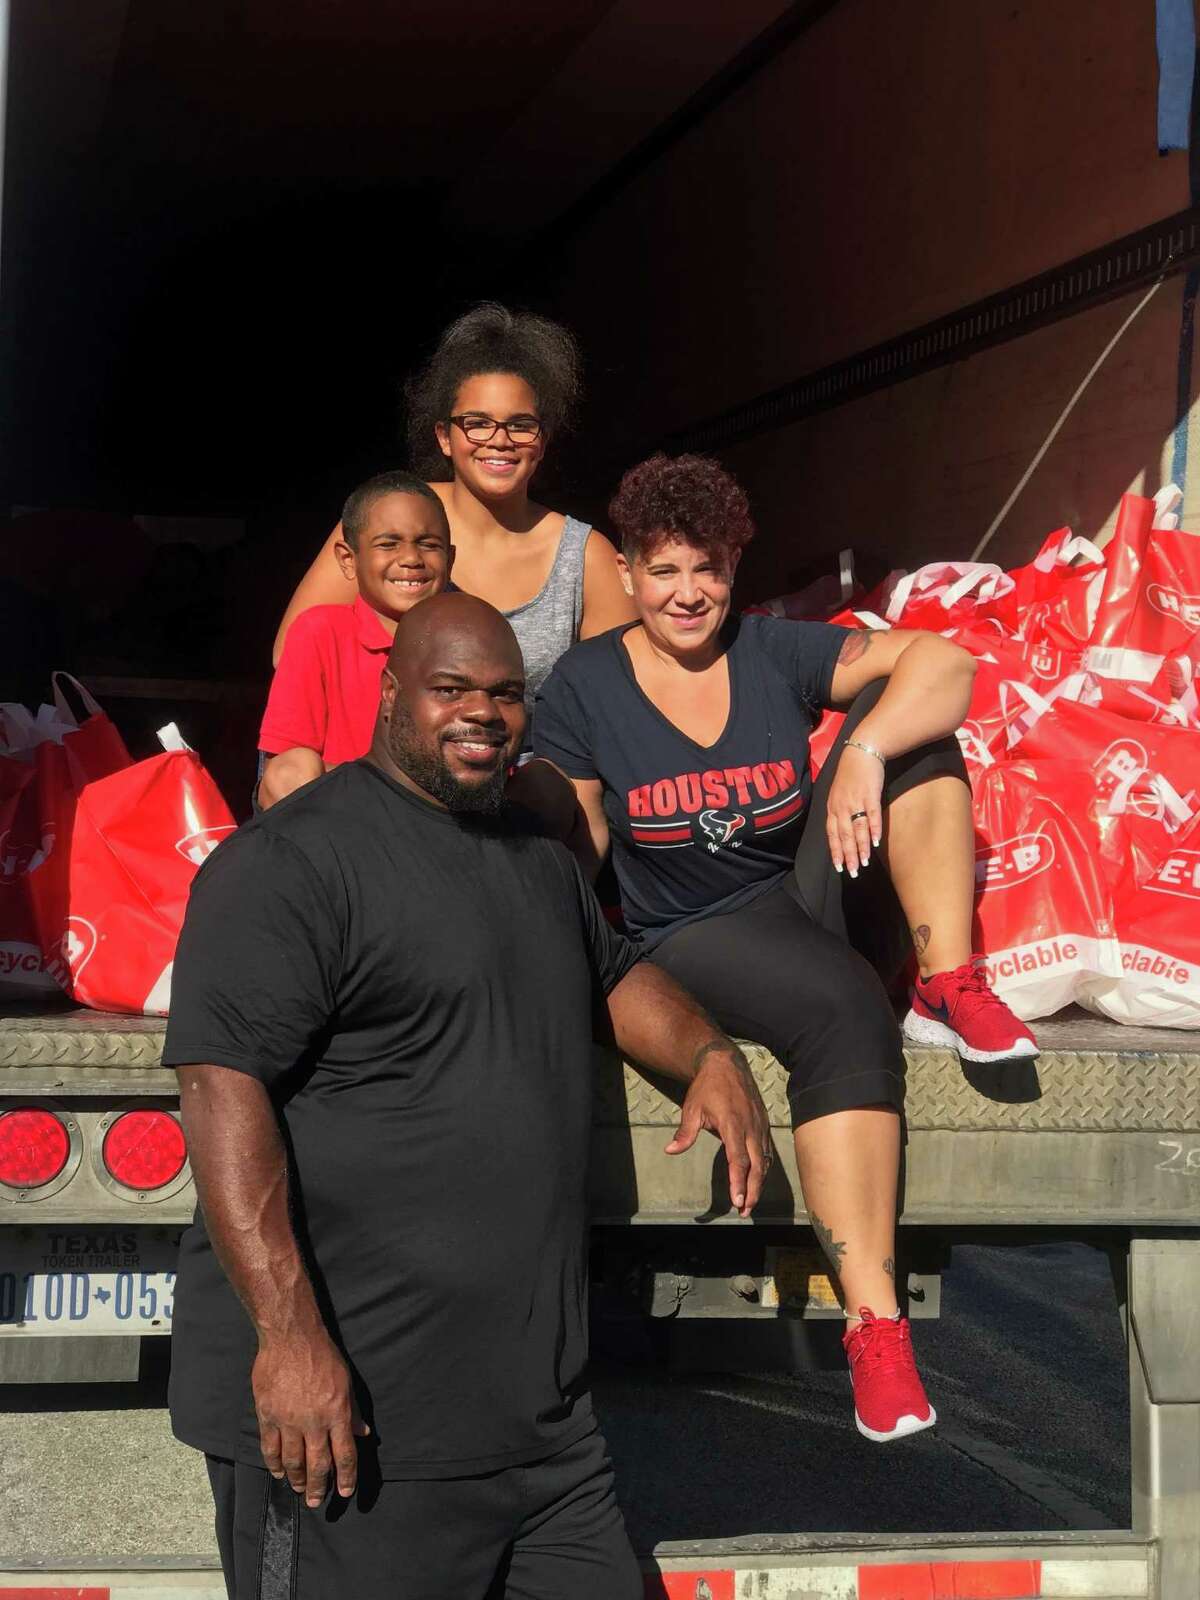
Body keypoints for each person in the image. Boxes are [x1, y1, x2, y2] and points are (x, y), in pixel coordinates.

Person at [164, 591, 771, 1600]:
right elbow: (222, 1090)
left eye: (504, 693)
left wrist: (708, 1050)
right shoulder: (290, 863)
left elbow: (613, 975)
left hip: (543, 1435)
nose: (482, 712)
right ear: (391, 691)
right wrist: (290, 1341)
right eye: (451, 688)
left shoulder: (538, 859)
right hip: (353, 1431)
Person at [533, 453, 1039, 1444]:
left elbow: (948, 664)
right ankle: (876, 1328)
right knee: (842, 1006)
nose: (689, 593)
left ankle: (949, 981)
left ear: (734, 569)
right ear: (629, 574)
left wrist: (862, 747)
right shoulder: (586, 687)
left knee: (920, 741)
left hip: (796, 891)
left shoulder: (768, 652)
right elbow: (579, 834)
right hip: (687, 928)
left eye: (709, 569)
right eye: (665, 570)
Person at [273, 304, 636, 737]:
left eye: (520, 425)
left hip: (522, 785)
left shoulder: (586, 557)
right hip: (375, 775)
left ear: (542, 442)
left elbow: (622, 700)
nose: (500, 440)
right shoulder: (387, 519)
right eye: (477, 423)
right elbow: (291, 657)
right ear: (445, 436)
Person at [257, 470, 452, 808]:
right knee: (290, 771)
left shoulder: (463, 641)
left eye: (428, 544)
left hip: (437, 829)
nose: (411, 559)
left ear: (450, 559)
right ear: (349, 560)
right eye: (388, 544)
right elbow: (284, 772)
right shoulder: (319, 631)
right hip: (336, 822)